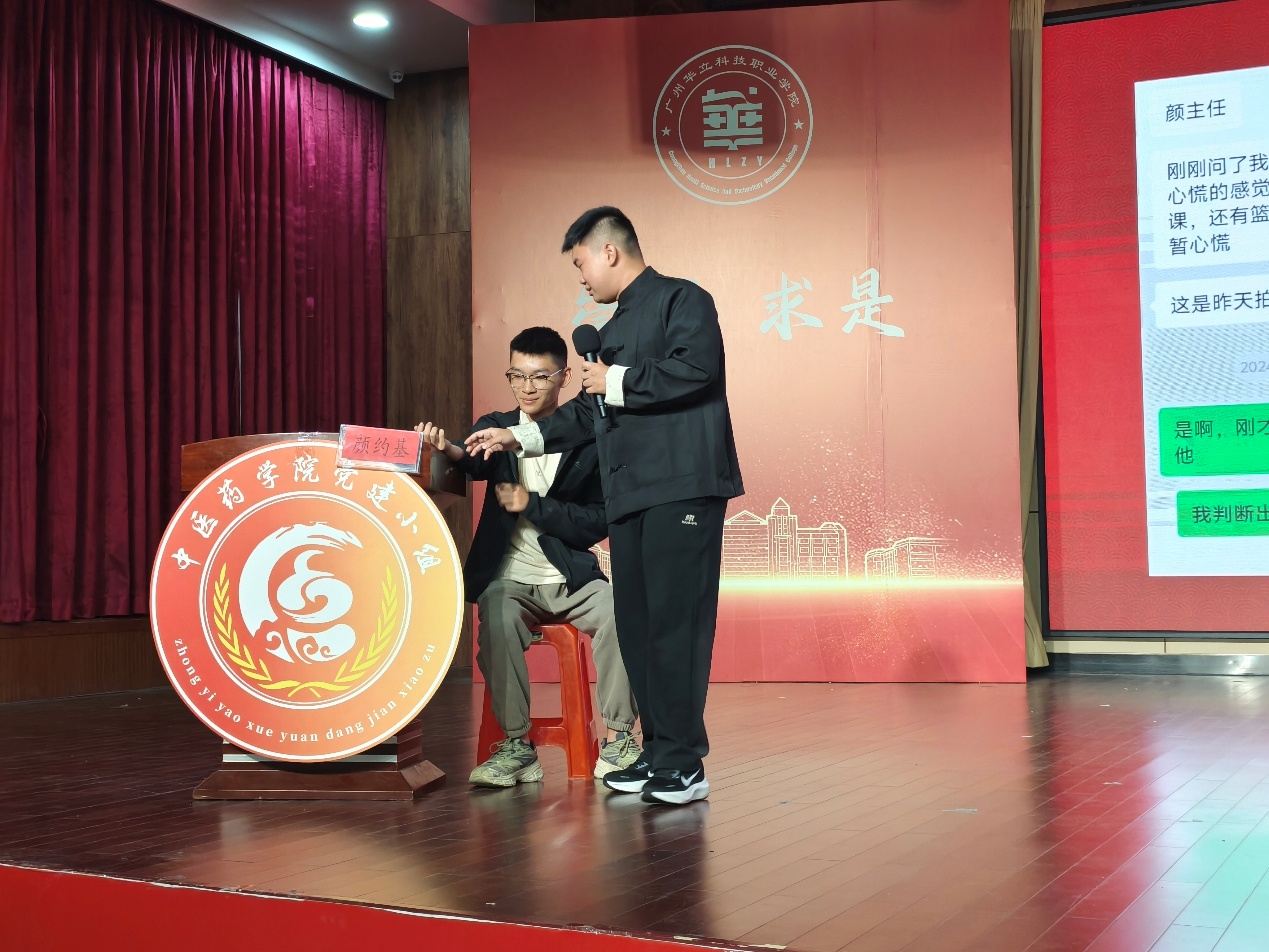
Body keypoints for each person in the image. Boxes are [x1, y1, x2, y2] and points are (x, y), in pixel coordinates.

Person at [465, 208, 743, 806]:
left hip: (682, 488)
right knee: (639, 628)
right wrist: (517, 436)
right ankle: (655, 753)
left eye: (580, 263)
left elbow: (696, 369)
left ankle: (684, 765)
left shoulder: (682, 300)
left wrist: (614, 381)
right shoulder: (612, 330)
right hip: (631, 497)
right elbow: (585, 414)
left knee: (676, 626)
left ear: (608, 251)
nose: (581, 278)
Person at [418, 326, 640, 788]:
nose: (527, 387)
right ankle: (517, 748)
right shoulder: (497, 425)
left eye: (539, 376)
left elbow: (596, 521)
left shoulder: (586, 436)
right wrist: (445, 448)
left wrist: (533, 505)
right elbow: (470, 457)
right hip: (510, 579)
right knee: (497, 619)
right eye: (517, 375)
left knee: (621, 614)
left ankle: (620, 740)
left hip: (569, 577)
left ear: (563, 378)